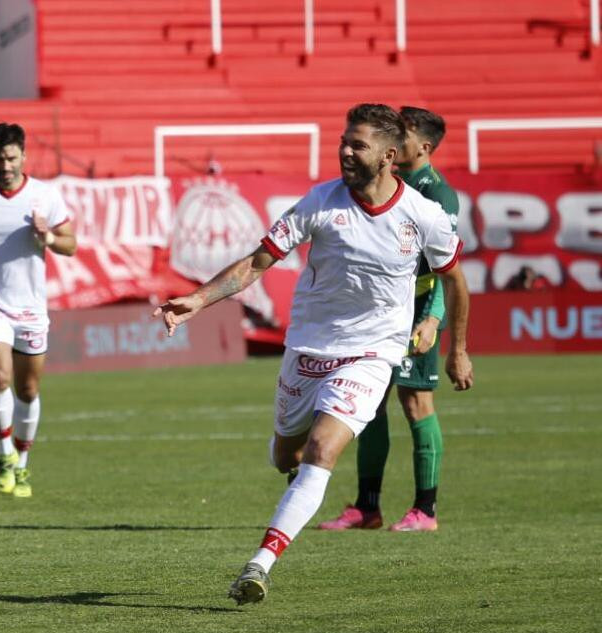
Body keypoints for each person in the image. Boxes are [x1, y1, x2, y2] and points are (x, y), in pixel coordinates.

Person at [154, 104, 473, 606]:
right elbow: (259, 261)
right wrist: (198, 299)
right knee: (289, 454)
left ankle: (260, 564)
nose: (345, 150)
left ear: (390, 156)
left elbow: (455, 279)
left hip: (372, 354)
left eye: (357, 144)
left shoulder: (424, 214)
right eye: (344, 141)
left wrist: (459, 349)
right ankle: (291, 462)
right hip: (307, 350)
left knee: (323, 450)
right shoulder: (320, 202)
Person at [318, 106, 458, 533]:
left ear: (423, 146)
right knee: (369, 405)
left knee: (416, 403)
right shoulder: (384, 184)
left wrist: (433, 321)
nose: (397, 138)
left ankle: (426, 510)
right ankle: (367, 507)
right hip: (379, 315)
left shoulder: (437, 194)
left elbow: (447, 270)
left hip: (416, 314)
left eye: (406, 133)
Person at [0, 123, 76, 498]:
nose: (5, 165)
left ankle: (22, 464)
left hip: (32, 308)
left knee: (28, 388)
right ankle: (5, 454)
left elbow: (70, 244)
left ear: (23, 156)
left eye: (11, 157)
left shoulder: (45, 196)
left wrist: (48, 237)